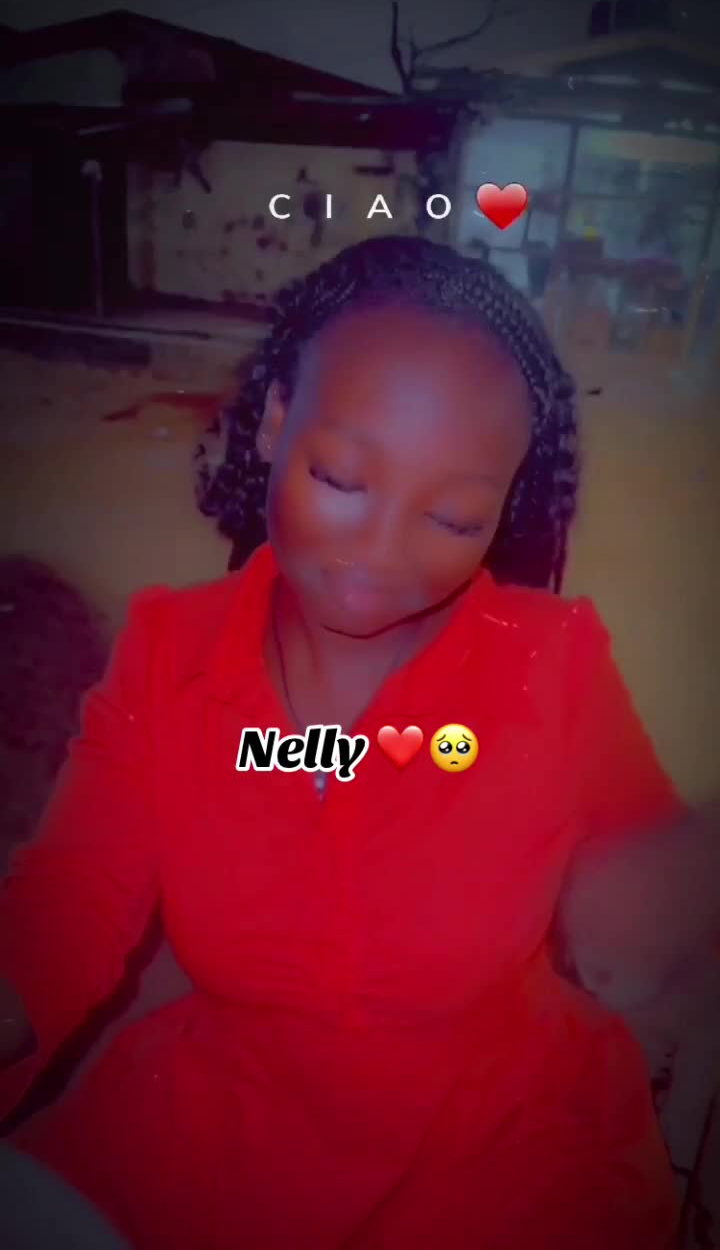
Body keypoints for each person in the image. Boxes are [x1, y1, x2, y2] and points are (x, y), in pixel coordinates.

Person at [0, 235, 714, 1250]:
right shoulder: (171, 654)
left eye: (454, 518)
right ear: (274, 421)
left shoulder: (547, 664)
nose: (377, 559)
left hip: (497, 1160)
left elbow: (648, 897)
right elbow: (77, 888)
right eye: (339, 478)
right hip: (219, 1133)